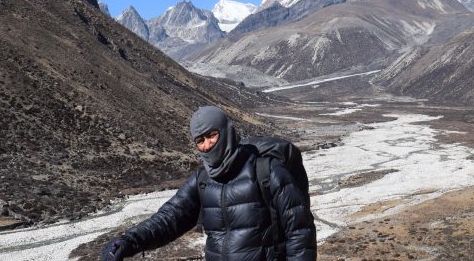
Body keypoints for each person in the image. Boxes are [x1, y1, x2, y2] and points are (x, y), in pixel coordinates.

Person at [101, 105, 317, 260]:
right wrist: (129, 241)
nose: (207, 145)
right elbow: (170, 218)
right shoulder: (202, 179)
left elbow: (299, 231)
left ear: (225, 131)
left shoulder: (267, 171)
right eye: (200, 140)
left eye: (212, 135)